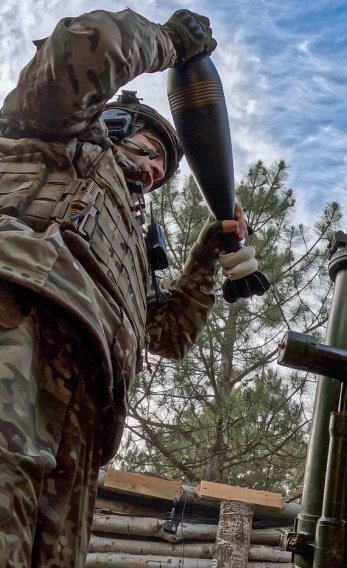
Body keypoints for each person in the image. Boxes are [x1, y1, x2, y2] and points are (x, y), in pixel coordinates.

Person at [0, 8, 257, 565]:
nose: (154, 171)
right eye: (148, 150)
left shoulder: (134, 246)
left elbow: (167, 336)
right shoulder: (57, 131)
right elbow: (80, 51)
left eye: (164, 168)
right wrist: (167, 41)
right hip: (15, 329)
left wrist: (205, 258)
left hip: (85, 410)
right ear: (114, 127)